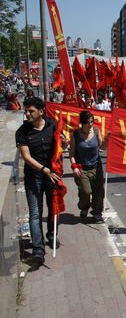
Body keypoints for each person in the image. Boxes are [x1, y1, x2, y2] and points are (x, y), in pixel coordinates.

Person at [16, 97, 65, 264]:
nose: (27, 114)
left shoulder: (53, 125)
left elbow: (61, 145)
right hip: (34, 178)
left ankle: (52, 236)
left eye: (31, 111)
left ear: (41, 112)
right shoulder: (22, 132)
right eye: (26, 111)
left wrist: (63, 144)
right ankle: (38, 250)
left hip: (53, 177)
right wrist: (45, 170)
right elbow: (26, 157)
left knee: (53, 209)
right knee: (35, 213)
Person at [69, 111, 106, 224]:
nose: (90, 124)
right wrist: (74, 167)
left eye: (92, 121)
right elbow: (71, 154)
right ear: (82, 123)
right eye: (88, 122)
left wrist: (107, 140)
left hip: (96, 167)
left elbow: (102, 146)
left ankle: (97, 213)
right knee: (86, 191)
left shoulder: (96, 131)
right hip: (81, 168)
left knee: (99, 192)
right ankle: (84, 206)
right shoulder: (75, 135)